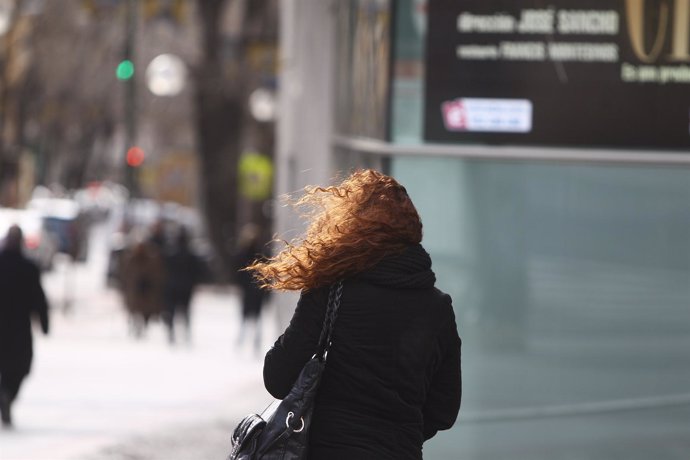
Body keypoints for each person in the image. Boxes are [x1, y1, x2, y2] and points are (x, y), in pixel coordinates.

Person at [246, 169, 462, 459]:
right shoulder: (437, 308)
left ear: (350, 228)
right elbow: (444, 410)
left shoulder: (330, 290)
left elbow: (278, 378)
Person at [0, 225, 50, 428]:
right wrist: (45, 323)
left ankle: (5, 394)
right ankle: (8, 394)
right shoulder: (28, 266)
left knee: (18, 366)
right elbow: (39, 298)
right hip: (19, 328)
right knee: (19, 366)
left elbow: (38, 296)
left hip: (12, 325)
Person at [162, 226, 203, 344]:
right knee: (185, 312)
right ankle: (185, 333)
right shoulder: (191, 255)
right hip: (185, 287)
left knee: (173, 312)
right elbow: (198, 271)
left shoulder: (171, 254)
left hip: (174, 286)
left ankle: (173, 333)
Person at [234, 224, 269, 352]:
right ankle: (250, 340)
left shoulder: (244, 253)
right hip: (255, 290)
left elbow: (237, 272)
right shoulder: (261, 254)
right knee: (254, 316)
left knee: (249, 316)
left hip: (252, 290)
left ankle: (249, 340)